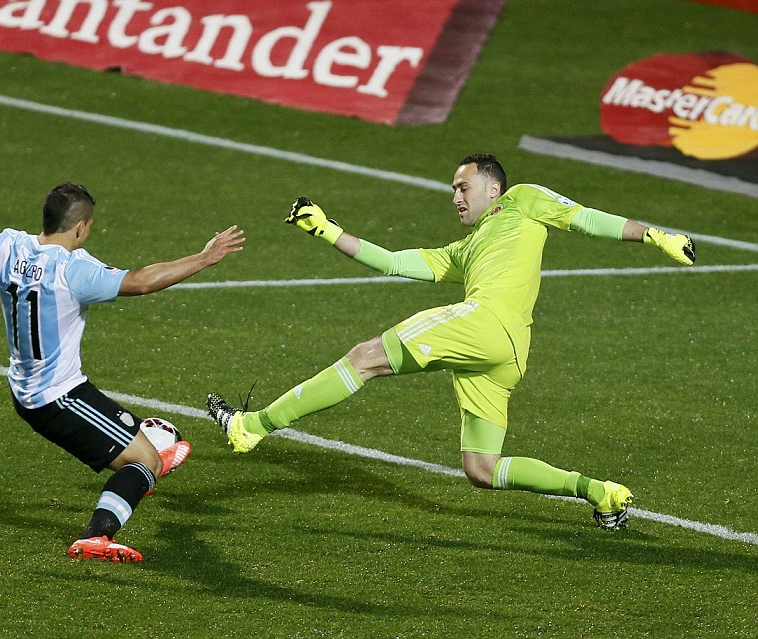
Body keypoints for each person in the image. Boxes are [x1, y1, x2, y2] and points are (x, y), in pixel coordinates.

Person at [208, 154, 695, 530]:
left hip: (485, 323)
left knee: (365, 358)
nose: (456, 197)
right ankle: (600, 493)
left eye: (463, 187)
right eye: (453, 190)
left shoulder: (522, 200)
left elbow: (585, 218)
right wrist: (328, 230)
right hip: (506, 354)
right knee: (481, 469)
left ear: (493, 187)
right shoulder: (464, 251)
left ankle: (250, 426)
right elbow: (394, 262)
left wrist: (654, 235)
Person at [0, 182, 244, 561]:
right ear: (81, 227)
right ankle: (99, 534)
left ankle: (137, 473)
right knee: (146, 462)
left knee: (154, 444)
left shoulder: (5, 246)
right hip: (60, 397)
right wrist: (204, 258)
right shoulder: (73, 269)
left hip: (26, 391)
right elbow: (140, 283)